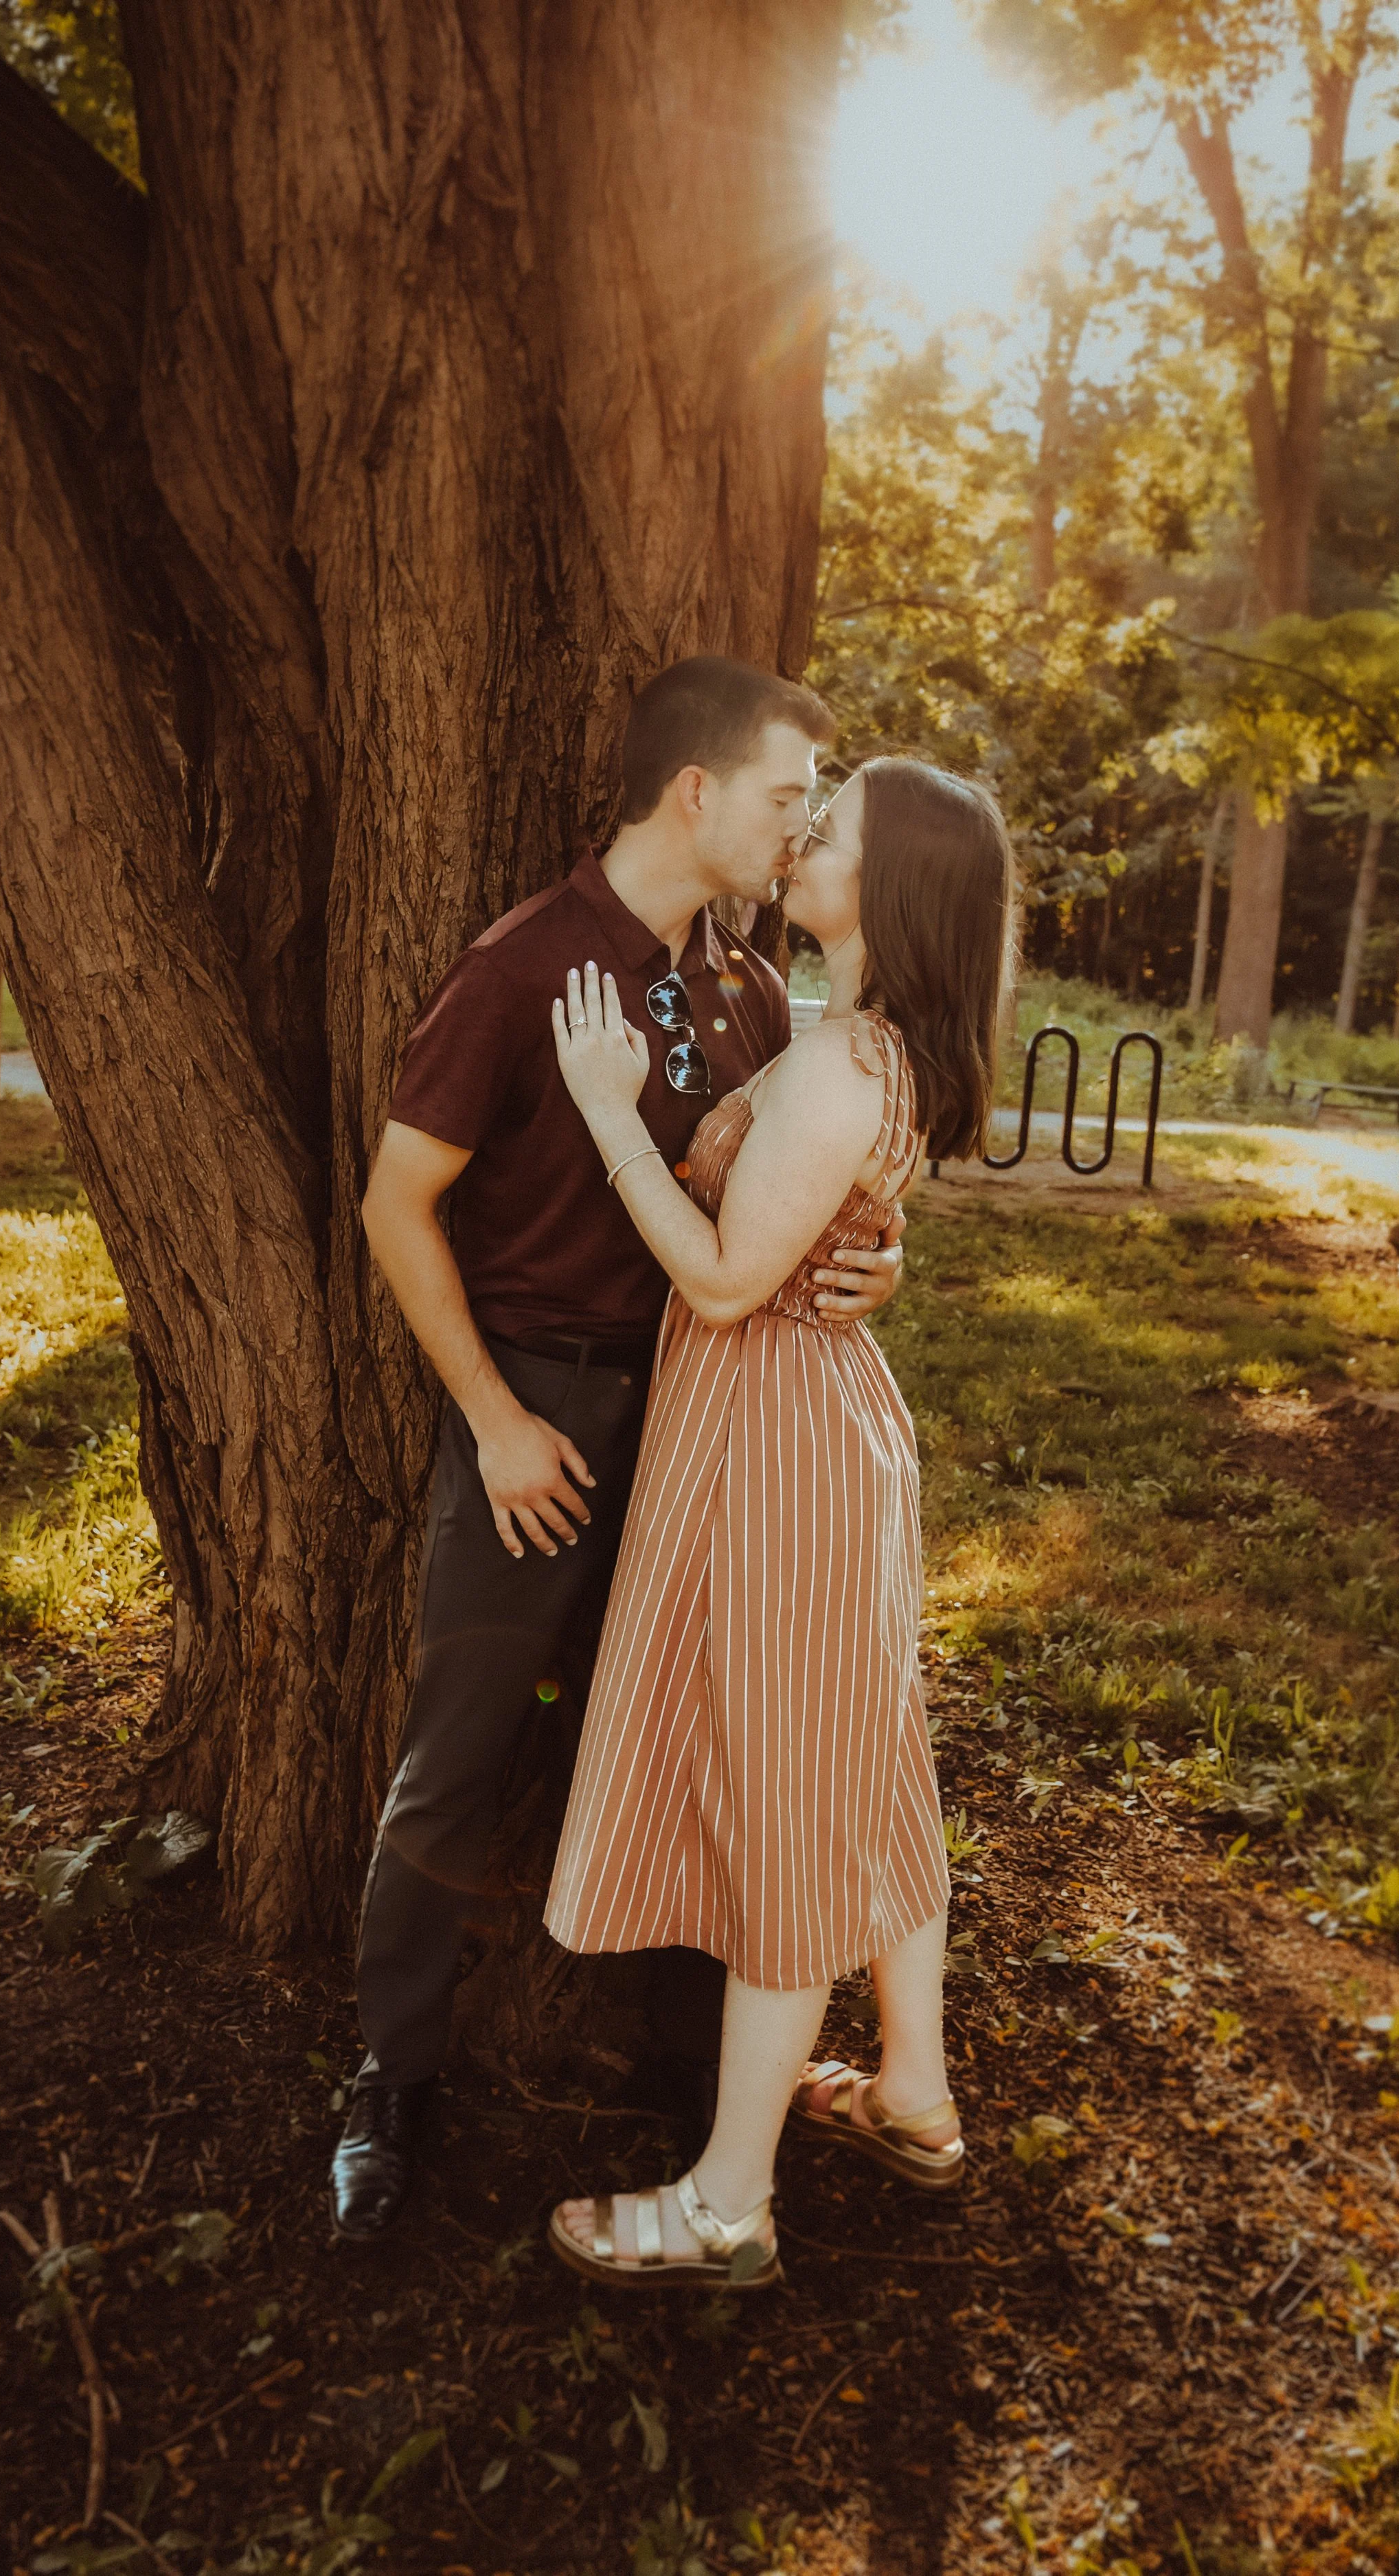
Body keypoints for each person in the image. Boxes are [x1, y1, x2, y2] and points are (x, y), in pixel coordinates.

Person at [331, 657, 906, 2242]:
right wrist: (496, 1421)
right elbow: (396, 1203)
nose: (800, 828)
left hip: (701, 1410)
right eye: (789, 793)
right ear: (696, 792)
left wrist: (878, 1261)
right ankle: (390, 2080)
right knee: (455, 1760)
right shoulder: (521, 968)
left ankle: (691, 2060)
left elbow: (800, 1178)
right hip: (542, 1411)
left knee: (685, 1737)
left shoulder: (745, 983)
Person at [542, 754, 1015, 2288]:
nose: (806, 840)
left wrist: (614, 1115)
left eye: (838, 832)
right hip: (811, 1426)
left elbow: (732, 1281)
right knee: (863, 1760)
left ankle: (727, 2202)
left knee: (790, 1798)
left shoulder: (838, 1063)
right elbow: (836, 1218)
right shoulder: (852, 1044)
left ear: (894, 890)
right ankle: (915, 2098)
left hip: (781, 1445)